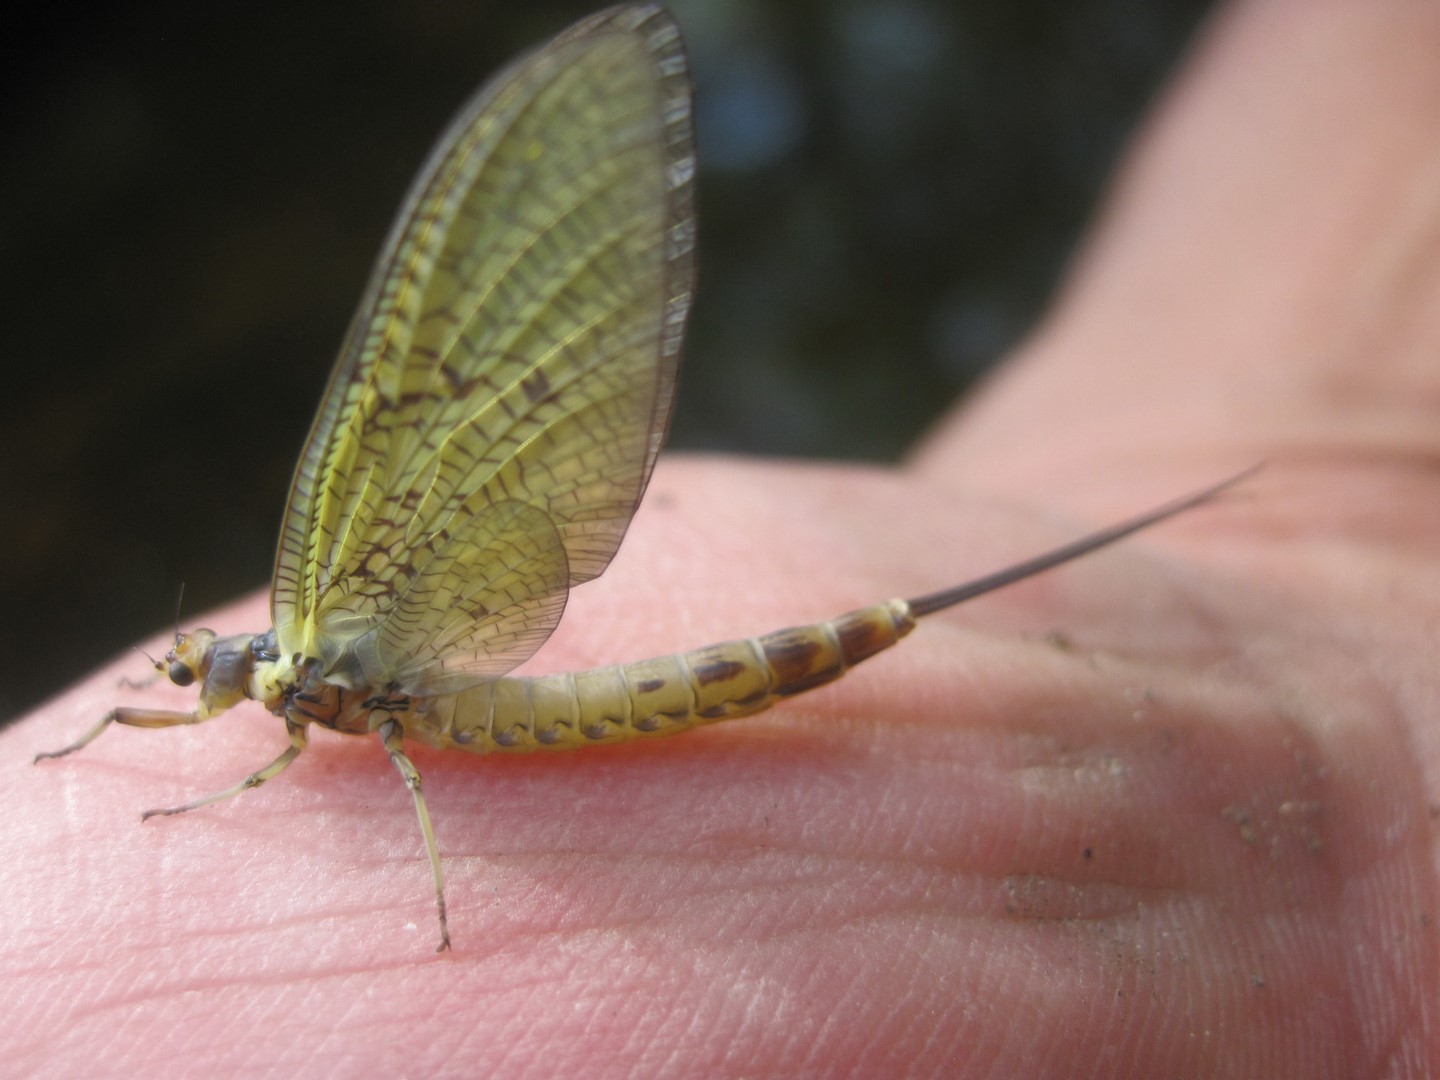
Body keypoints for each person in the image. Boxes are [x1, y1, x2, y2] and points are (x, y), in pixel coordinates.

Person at [6, 0, 1435, 1073]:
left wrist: (239, 817)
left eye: (208, 680)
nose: (209, 690)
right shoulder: (309, 666)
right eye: (207, 675)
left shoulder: (311, 686)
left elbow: (297, 780)